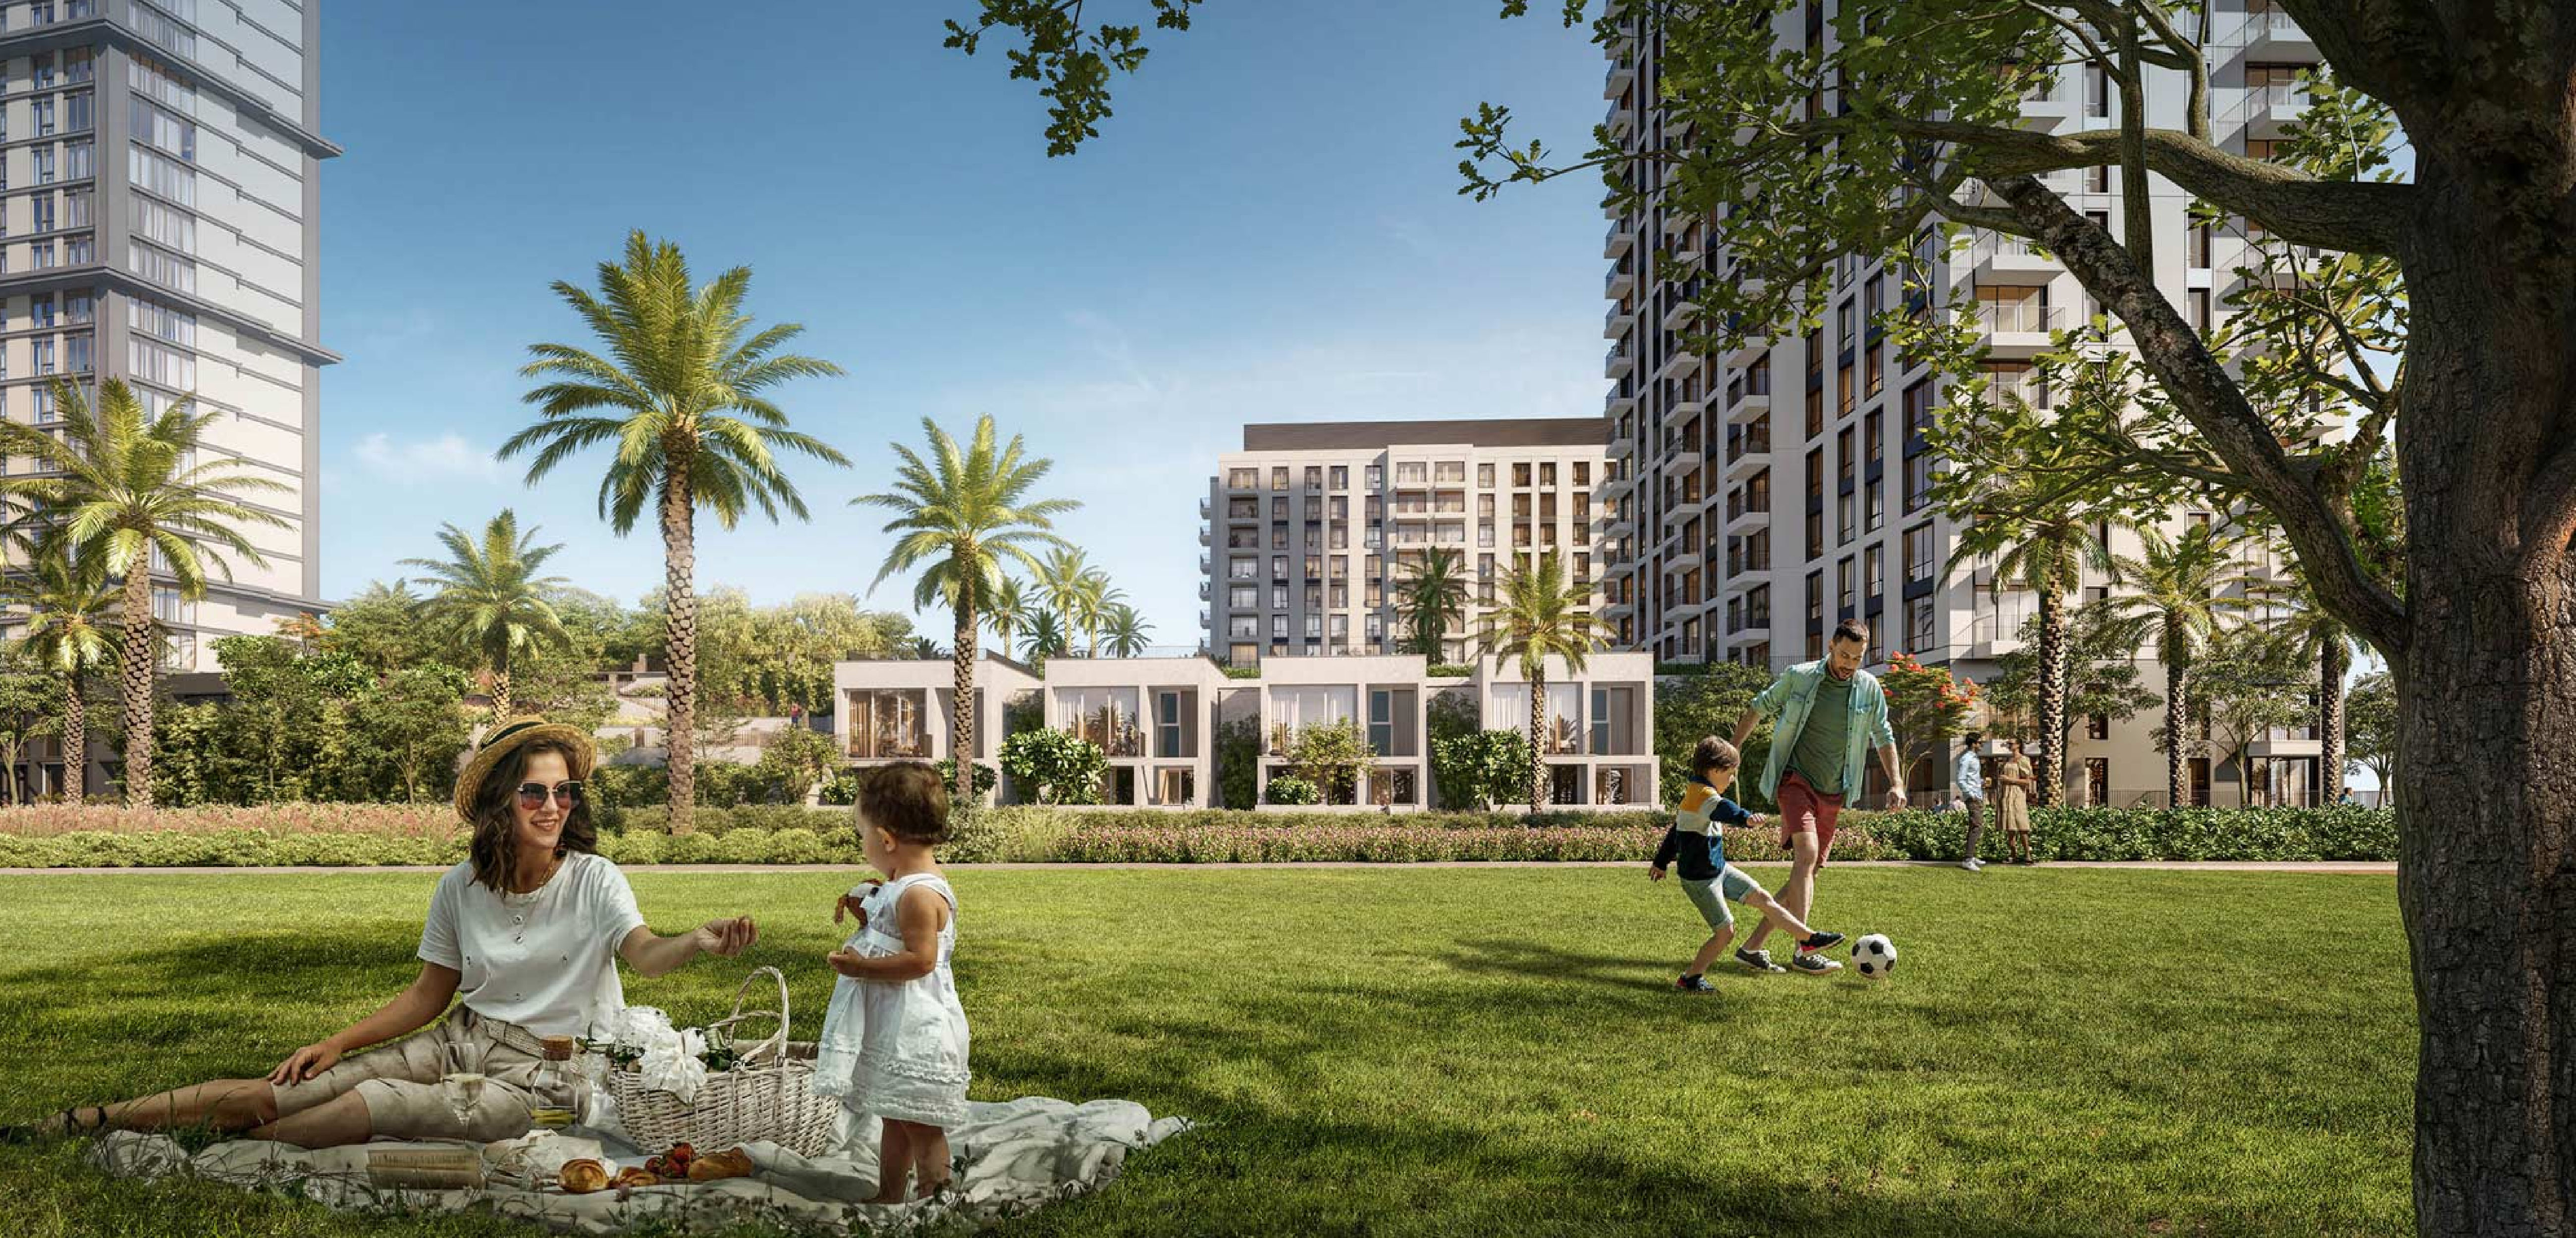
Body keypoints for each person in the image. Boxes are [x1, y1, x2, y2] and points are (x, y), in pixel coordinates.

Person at [15, 717, 758, 1147]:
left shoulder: (596, 879)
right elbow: (429, 994)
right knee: (291, 1088)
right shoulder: (459, 888)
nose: (554, 804)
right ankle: (84, 1121)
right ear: (503, 801)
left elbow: (645, 953)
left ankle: (217, 1156)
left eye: (565, 790)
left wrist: (694, 941)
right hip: (461, 1037)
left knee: (378, 1108)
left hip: (551, 1073)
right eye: (536, 790)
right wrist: (338, 1042)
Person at [819, 763, 971, 1204]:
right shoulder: (898, 884)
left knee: (921, 1124)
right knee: (894, 1115)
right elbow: (892, 934)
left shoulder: (921, 895)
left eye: (863, 835)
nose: (863, 844)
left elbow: (921, 960)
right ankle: (889, 1194)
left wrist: (860, 968)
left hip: (917, 1029)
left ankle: (934, 1200)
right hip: (894, 1027)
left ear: (886, 840)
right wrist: (867, 910)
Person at [1728, 619, 1905, 975]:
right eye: (1844, 655)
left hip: (1836, 788)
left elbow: (1883, 736)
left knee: (1807, 872)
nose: (1849, 664)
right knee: (1806, 856)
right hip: (1796, 779)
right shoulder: (1802, 676)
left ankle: (1752, 947)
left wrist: (1897, 782)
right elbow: (1759, 706)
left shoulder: (1869, 689)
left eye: (1857, 658)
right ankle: (1805, 949)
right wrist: (1732, 752)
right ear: (1830, 646)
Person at [1650, 737, 1847, 989]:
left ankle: (1808, 940)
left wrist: (1660, 862)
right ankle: (1690, 979)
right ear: (1715, 771)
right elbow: (1725, 810)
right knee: (1725, 932)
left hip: (1719, 870)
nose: (1732, 780)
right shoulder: (1703, 796)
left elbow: (1675, 831)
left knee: (1764, 898)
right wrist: (1747, 819)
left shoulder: (1696, 793)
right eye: (1731, 774)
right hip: (1701, 881)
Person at [1996, 736, 2037, 864]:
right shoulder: (2007, 761)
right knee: (2010, 827)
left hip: (2018, 795)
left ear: (2018, 745)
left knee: (2022, 825)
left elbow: (2027, 781)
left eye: (2011, 743)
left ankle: (2028, 856)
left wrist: (2009, 780)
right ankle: (2013, 856)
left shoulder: (2024, 760)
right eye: (2008, 743)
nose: (2009, 745)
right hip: (2006, 795)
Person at [1955, 732, 1987, 873]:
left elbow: (1972, 779)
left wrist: (1982, 783)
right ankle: (1968, 860)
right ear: (1973, 744)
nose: (1981, 745)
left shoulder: (1974, 758)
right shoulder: (1966, 759)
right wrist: (1972, 795)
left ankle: (1971, 856)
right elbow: (1961, 780)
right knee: (1977, 827)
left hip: (1978, 796)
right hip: (1973, 798)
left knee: (1974, 826)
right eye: (1980, 743)